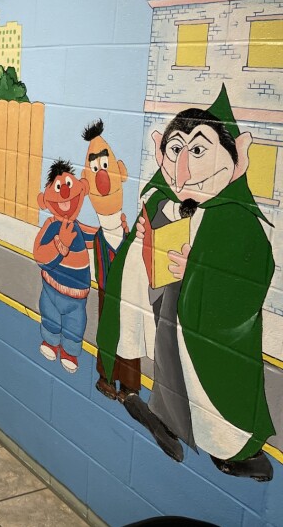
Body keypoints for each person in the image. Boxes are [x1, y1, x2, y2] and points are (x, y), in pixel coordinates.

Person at [97, 86, 275, 482]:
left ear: (238, 158)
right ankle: (166, 418)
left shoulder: (237, 220)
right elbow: (142, 254)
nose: (182, 167)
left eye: (198, 150)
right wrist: (148, 240)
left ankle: (232, 452)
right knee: (171, 365)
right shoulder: (165, 200)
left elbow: (250, 281)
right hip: (172, 313)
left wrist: (198, 272)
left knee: (213, 402)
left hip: (212, 339)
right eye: (176, 150)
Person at [80, 120, 139, 401]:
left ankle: (128, 384)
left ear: (121, 173)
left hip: (129, 295)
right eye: (95, 169)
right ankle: (106, 378)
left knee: (129, 335)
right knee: (108, 333)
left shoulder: (130, 233)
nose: (102, 178)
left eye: (105, 166)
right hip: (109, 292)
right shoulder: (99, 240)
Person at [33, 160, 94, 373]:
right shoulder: (52, 226)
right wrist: (61, 244)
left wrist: (115, 232)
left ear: (82, 188)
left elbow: (93, 237)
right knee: (50, 314)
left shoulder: (76, 226)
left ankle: (69, 352)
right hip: (52, 288)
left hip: (77, 296)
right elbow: (39, 255)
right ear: (45, 199)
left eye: (69, 184)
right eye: (59, 187)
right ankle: (50, 341)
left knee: (75, 324)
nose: (66, 191)